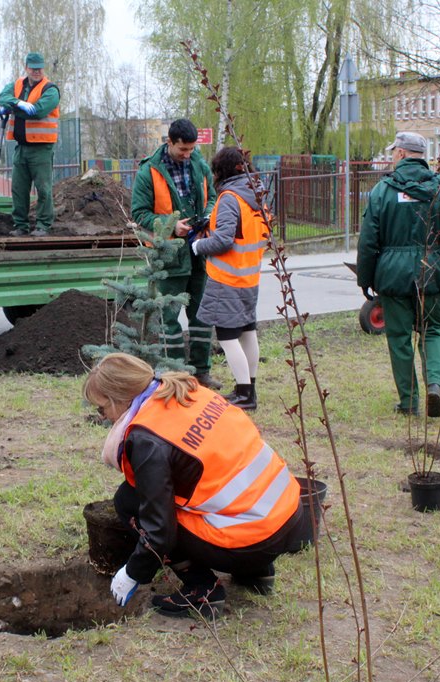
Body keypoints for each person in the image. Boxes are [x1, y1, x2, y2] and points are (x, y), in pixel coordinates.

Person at [83, 353, 310, 617]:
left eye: (102, 408)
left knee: (128, 500)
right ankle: (256, 572)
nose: (103, 417)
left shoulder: (147, 439)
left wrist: (133, 572)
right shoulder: (188, 391)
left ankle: (201, 590)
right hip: (289, 517)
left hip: (251, 541)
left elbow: (159, 532)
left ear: (120, 399)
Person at [356, 131, 440, 417]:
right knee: (432, 330)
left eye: (393, 151)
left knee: (398, 338)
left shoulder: (382, 191)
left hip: (392, 278)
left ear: (400, 153)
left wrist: (366, 279)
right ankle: (434, 383)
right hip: (432, 274)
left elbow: (368, 241)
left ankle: (409, 402)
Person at [130, 118, 220, 390]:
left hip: (198, 254)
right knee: (169, 319)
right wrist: (171, 225)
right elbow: (139, 214)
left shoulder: (199, 165)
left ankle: (202, 372)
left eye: (192, 149)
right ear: (169, 142)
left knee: (202, 315)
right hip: (168, 257)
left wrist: (207, 217)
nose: (187, 154)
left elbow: (213, 197)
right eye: (183, 149)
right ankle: (179, 376)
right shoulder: (149, 172)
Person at [190, 147, 270, 410]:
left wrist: (198, 246)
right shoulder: (257, 195)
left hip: (227, 278)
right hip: (249, 276)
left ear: (220, 171)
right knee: (248, 332)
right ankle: (249, 388)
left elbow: (224, 240)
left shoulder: (229, 198)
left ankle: (244, 394)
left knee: (226, 337)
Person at [0, 52, 60, 237]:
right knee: (18, 188)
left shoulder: (50, 90)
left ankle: (43, 225)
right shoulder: (17, 85)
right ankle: (20, 225)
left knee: (43, 189)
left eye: (39, 68)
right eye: (33, 68)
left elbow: (38, 111)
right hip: (21, 147)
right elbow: (2, 98)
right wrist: (18, 103)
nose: (36, 71)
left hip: (41, 148)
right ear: (26, 67)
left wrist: (14, 108)